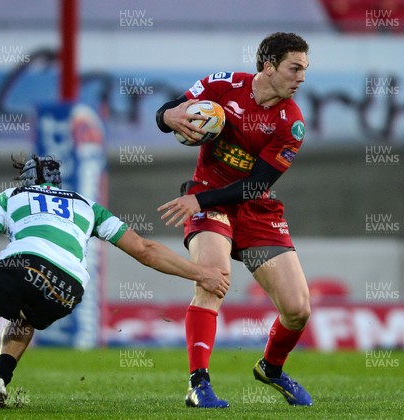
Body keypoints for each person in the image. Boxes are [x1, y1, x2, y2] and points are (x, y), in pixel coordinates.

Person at [0, 154, 230, 411]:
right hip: (69, 287)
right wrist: (203, 273)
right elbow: (146, 249)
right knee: (24, 313)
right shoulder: (87, 204)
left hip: (23, 264)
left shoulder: (10, 196)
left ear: (26, 180)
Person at [155, 32, 313, 408]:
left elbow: (256, 185)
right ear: (269, 66)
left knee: (298, 309)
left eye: (305, 69)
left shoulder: (291, 124)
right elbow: (172, 110)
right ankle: (199, 385)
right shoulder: (222, 85)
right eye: (295, 68)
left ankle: (271, 369)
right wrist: (167, 115)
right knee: (213, 279)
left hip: (254, 209)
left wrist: (197, 199)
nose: (302, 78)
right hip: (211, 203)